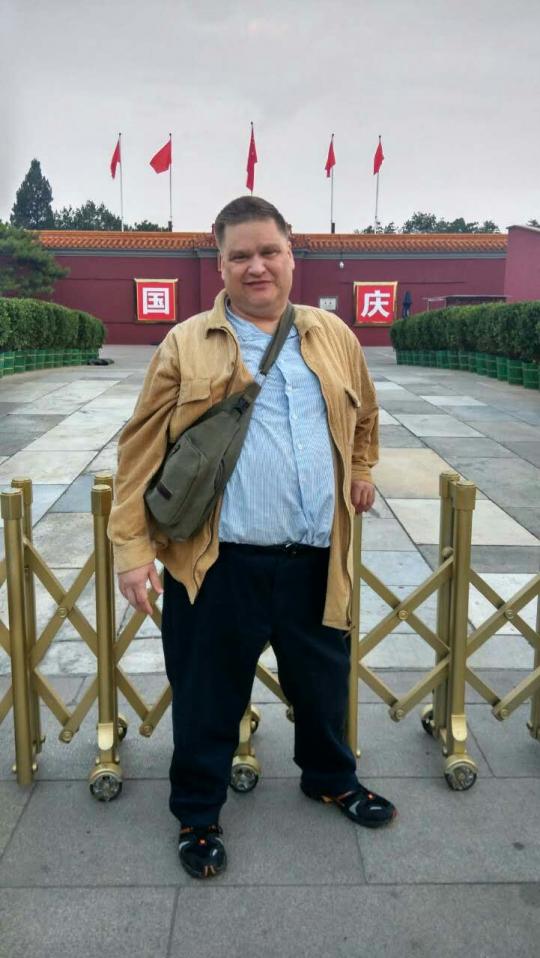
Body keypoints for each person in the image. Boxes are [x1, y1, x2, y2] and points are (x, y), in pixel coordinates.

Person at [108, 195, 396, 880]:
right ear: (221, 264)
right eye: (240, 255)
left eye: (269, 251)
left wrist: (360, 470)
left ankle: (330, 777)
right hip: (217, 563)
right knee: (207, 695)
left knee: (322, 685)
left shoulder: (334, 335)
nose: (256, 266)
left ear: (292, 254)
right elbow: (139, 451)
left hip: (314, 559)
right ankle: (197, 813)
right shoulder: (187, 343)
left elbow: (365, 415)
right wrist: (132, 549)